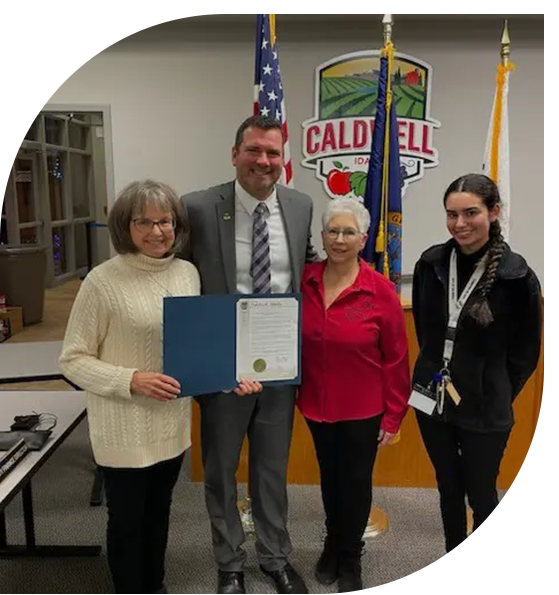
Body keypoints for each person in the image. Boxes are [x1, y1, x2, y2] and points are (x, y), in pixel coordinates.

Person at [58, 179, 261, 594]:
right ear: (124, 226)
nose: (156, 231)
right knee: (128, 522)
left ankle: (155, 585)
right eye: (143, 222)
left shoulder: (187, 273)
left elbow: (196, 349)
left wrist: (227, 376)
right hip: (123, 427)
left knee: (159, 514)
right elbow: (72, 361)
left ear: (176, 224)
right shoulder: (101, 282)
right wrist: (130, 380)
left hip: (170, 428)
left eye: (164, 220)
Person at [179, 115, 318, 595]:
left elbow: (311, 269)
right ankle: (229, 565)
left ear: (284, 159)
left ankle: (275, 559)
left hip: (280, 364)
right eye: (254, 150)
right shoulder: (196, 207)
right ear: (234, 153)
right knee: (220, 470)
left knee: (272, 470)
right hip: (222, 366)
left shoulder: (301, 206)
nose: (264, 160)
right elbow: (177, 278)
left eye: (273, 153)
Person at [410, 173, 542, 569]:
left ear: (494, 212)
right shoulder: (431, 263)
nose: (460, 223)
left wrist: (494, 387)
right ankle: (456, 564)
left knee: (481, 491)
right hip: (433, 398)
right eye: (452, 214)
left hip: (487, 405)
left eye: (471, 213)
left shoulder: (517, 277)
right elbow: (425, 330)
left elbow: (525, 354)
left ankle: (496, 570)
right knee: (448, 486)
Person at [297, 197, 411, 595]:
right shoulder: (305, 281)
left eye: (348, 232)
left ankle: (351, 555)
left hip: (364, 409)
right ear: (322, 235)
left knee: (357, 480)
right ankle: (332, 542)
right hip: (316, 404)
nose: (339, 239)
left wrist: (394, 416)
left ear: (363, 239)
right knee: (330, 478)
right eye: (332, 231)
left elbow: (397, 358)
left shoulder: (379, 291)